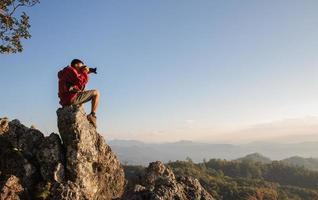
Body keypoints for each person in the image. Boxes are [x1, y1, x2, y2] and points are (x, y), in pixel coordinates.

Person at [58, 59, 99, 128]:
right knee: (96, 92)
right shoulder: (71, 70)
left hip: (65, 100)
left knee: (82, 90)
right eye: (82, 65)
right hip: (71, 99)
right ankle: (92, 115)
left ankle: (79, 111)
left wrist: (89, 71)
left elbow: (77, 83)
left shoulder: (66, 72)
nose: (83, 66)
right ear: (76, 65)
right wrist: (85, 72)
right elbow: (81, 82)